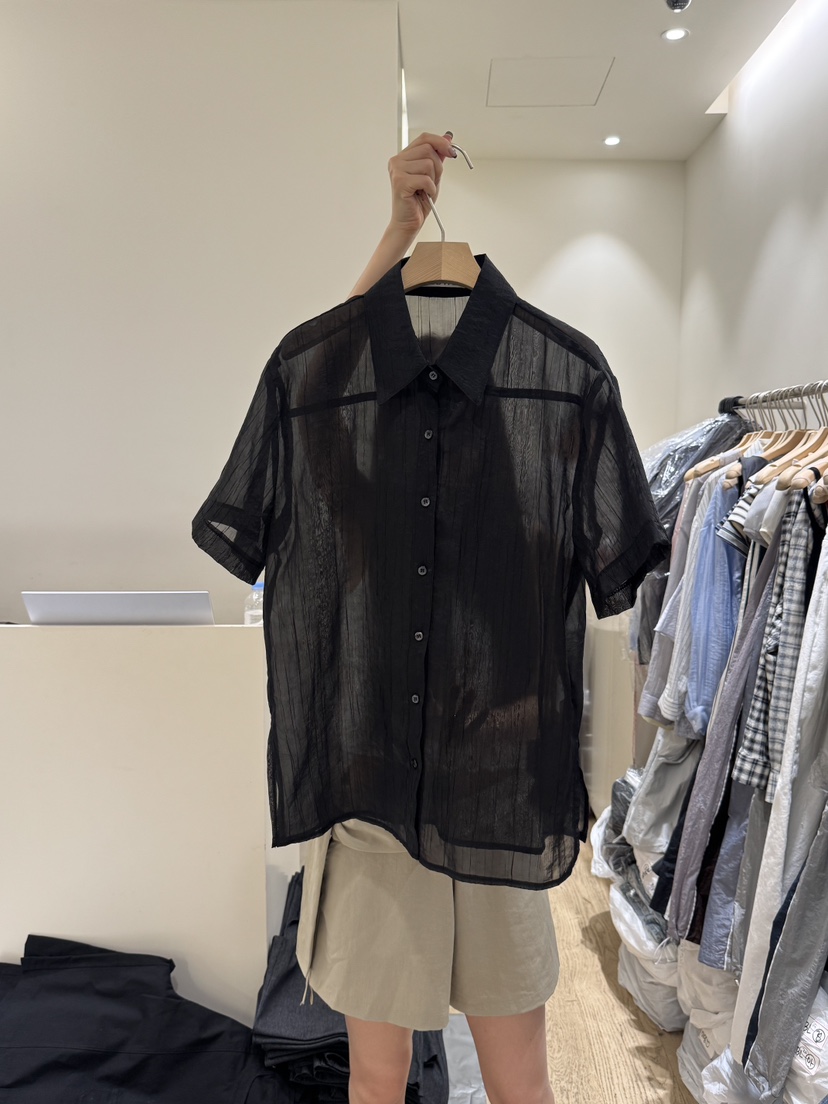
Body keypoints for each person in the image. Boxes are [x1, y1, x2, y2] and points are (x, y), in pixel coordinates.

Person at [325, 131, 558, 1104]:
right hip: (378, 816)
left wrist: (499, 723)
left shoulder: (527, 520)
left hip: (495, 814)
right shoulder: (361, 511)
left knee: (518, 1075)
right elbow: (316, 387)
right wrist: (396, 233)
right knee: (379, 1075)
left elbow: (556, 695)